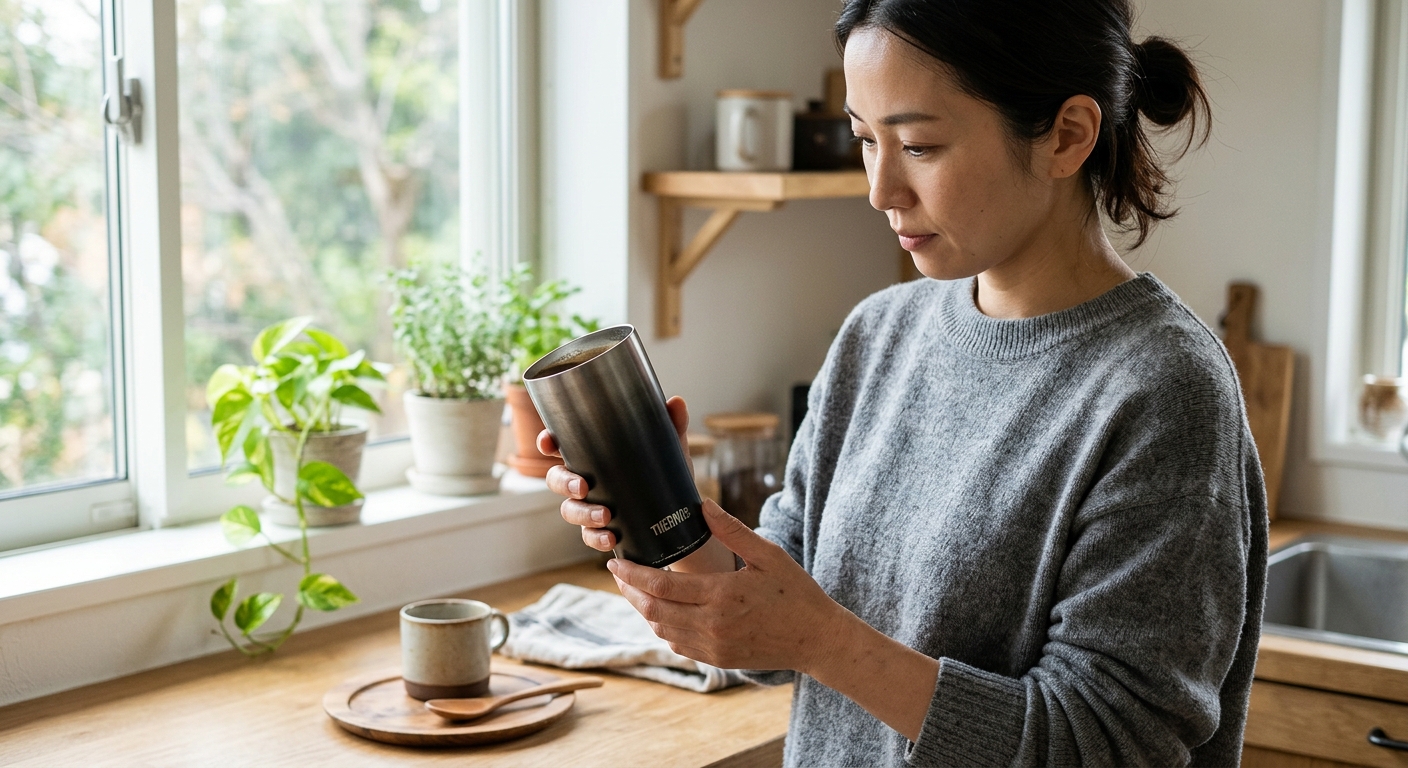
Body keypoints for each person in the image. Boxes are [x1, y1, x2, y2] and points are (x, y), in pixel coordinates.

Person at [540, 0, 1268, 765]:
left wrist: (825, 641)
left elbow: (1116, 742)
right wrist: (674, 525)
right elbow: (772, 637)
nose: (881, 190)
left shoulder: (1162, 390)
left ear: (1067, 135)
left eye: (919, 145)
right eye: (864, 139)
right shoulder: (878, 335)